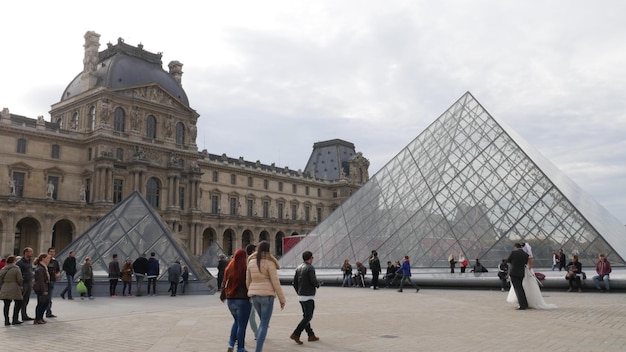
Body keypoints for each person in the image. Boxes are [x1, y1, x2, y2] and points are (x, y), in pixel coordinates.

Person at [246, 240, 286, 352]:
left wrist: (251, 292)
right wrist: (282, 299)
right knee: (264, 324)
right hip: (267, 296)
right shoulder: (270, 263)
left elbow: (247, 281)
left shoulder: (251, 262)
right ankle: (258, 350)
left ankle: (258, 344)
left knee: (262, 322)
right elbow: (275, 282)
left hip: (254, 296)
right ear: (268, 250)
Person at [220, 249, 251, 352]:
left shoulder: (229, 267)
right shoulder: (245, 268)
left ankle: (231, 343)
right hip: (243, 300)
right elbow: (249, 284)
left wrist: (223, 294)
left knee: (237, 322)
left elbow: (224, 282)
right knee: (242, 326)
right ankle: (240, 348)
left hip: (230, 300)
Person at [290, 250, 320, 345]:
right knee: (308, 316)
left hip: (301, 296)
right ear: (310, 258)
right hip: (308, 296)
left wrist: (298, 292)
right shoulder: (310, 268)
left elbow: (294, 283)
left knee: (305, 316)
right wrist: (317, 285)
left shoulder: (298, 268)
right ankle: (296, 333)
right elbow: (313, 280)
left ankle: (311, 335)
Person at [0, 255, 24, 325]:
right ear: (14, 261)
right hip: (15, 287)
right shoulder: (16, 269)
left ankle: (6, 320)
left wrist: (2, 285)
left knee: (6, 305)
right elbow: (19, 279)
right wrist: (21, 285)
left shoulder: (3, 268)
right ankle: (15, 319)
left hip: (5, 287)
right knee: (18, 302)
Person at [506, 243, 529, 310]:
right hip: (521, 273)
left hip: (514, 273)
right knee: (521, 288)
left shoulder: (513, 253)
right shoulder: (525, 254)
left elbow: (508, 260)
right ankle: (525, 303)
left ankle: (522, 305)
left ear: (515, 247)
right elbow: (525, 263)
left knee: (517, 289)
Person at [32, 253, 51, 324]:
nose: (49, 259)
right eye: (47, 258)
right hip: (40, 288)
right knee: (41, 303)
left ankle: (40, 317)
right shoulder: (40, 268)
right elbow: (41, 281)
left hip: (43, 287)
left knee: (45, 302)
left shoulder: (43, 267)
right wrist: (44, 290)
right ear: (43, 258)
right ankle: (37, 318)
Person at [245, 243, 258, 340]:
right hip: (251, 293)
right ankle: (258, 333)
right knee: (251, 314)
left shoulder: (246, 262)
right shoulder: (252, 262)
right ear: (253, 251)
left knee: (250, 315)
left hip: (246, 293)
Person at [16, 247, 34, 321]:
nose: (31, 253)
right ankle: (18, 316)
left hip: (29, 281)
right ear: (26, 252)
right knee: (21, 300)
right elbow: (18, 274)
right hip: (23, 283)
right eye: (30, 252)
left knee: (26, 299)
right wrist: (20, 285)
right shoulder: (20, 262)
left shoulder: (29, 261)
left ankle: (24, 315)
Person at [45, 247, 60, 318]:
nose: (52, 253)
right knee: (47, 297)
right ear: (48, 252)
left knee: (49, 297)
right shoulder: (45, 260)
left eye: (53, 252)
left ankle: (48, 311)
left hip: (53, 280)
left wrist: (58, 273)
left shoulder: (55, 261)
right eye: (51, 252)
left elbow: (58, 270)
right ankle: (48, 312)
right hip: (46, 281)